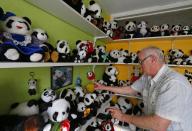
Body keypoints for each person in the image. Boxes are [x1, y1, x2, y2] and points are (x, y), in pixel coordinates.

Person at [94, 46, 192, 131]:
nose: (139, 65)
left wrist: (122, 117)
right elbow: (130, 89)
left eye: (141, 61)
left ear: (153, 59)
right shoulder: (147, 76)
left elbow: (159, 125)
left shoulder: (173, 83)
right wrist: (103, 87)